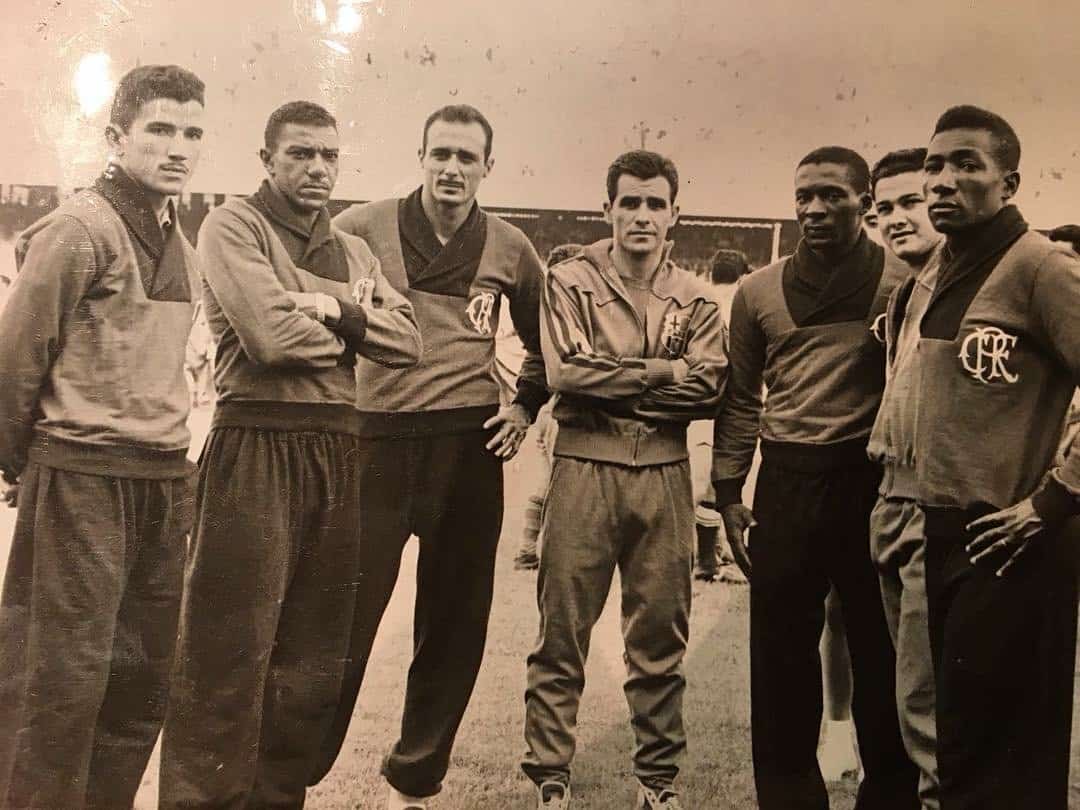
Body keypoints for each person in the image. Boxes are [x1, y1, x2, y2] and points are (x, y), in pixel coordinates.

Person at [159, 100, 421, 809]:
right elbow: (270, 339)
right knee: (227, 650)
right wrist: (356, 330)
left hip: (338, 448)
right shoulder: (233, 225)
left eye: (329, 155)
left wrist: (333, 310)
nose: (317, 168)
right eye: (301, 153)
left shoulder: (355, 251)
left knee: (311, 658)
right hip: (255, 445)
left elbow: (409, 344)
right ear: (267, 159)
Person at [314, 104, 548, 809]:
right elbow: (309, 305)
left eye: (466, 157)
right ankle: (295, 770)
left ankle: (414, 784)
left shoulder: (510, 247)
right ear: (420, 156)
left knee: (454, 621)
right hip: (373, 442)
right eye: (440, 153)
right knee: (338, 613)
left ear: (487, 167)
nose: (451, 168)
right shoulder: (360, 227)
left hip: (466, 447)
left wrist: (523, 406)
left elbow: (544, 344)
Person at [0, 64, 206, 809]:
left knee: (142, 678)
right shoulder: (78, 228)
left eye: (192, 133)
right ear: (117, 136)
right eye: (160, 129)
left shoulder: (180, 240)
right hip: (83, 475)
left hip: (163, 479)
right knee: (60, 678)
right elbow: (15, 360)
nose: (178, 148)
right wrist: (21, 464)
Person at [711, 145, 919, 810]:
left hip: (868, 482)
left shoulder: (903, 282)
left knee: (882, 654)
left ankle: (889, 797)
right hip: (787, 481)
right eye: (804, 195)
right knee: (780, 659)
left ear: (865, 202)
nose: (815, 208)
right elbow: (740, 398)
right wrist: (728, 492)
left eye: (832, 194)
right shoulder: (756, 291)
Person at [523, 150, 729, 810]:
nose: (642, 215)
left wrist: (614, 380)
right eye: (630, 202)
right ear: (607, 208)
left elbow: (710, 388)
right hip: (584, 467)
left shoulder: (697, 297)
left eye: (655, 203)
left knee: (660, 638)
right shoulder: (569, 280)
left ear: (675, 214)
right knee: (562, 635)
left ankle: (657, 785)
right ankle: (550, 779)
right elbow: (566, 373)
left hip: (664, 473)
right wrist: (662, 373)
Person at [916, 105, 1080, 810]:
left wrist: (1055, 499)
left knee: (1005, 762)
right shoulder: (946, 267)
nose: (942, 180)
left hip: (1017, 538)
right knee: (963, 746)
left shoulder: (1042, 264)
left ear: (1009, 183)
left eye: (966, 164)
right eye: (934, 165)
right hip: (948, 532)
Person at [864, 147, 944, 809]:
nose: (896, 218)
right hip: (890, 496)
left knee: (928, 702)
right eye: (884, 207)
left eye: (911, 202)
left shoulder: (979, 282)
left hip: (939, 501)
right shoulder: (904, 294)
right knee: (910, 697)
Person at [513, 243, 581, 572]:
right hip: (561, 408)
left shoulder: (546, 310)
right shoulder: (572, 313)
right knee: (563, 483)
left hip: (544, 407)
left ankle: (527, 548)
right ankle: (552, 553)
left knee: (546, 479)